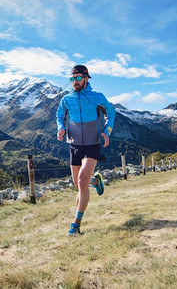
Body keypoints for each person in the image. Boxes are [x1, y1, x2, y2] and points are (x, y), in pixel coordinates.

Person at [56, 64, 115, 236]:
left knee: (82, 180)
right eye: (72, 79)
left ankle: (76, 223)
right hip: (74, 144)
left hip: (92, 143)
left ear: (86, 78)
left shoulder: (97, 97)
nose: (75, 81)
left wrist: (106, 132)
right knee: (78, 184)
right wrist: (61, 128)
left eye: (78, 78)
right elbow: (59, 116)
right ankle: (96, 182)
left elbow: (111, 113)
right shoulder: (66, 99)